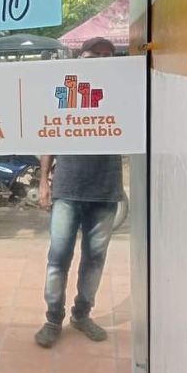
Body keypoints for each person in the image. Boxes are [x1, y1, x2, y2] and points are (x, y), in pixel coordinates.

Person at [35, 37, 123, 348]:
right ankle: (52, 318)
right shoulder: (64, 90)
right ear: (79, 57)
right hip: (68, 189)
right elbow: (48, 132)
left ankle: (82, 314)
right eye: (93, 54)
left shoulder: (123, 94)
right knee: (58, 259)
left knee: (94, 260)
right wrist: (44, 181)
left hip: (105, 189)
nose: (100, 59)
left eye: (106, 55)